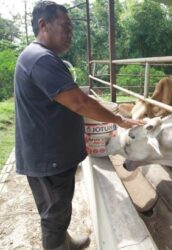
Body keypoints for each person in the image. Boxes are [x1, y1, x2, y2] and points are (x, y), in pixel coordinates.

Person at [14, 1, 144, 249]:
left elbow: (73, 98)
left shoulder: (40, 57)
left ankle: (65, 241)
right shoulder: (41, 59)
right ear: (44, 25)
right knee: (54, 215)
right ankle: (57, 244)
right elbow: (80, 103)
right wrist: (120, 119)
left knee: (59, 207)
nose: (70, 33)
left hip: (48, 154)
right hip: (48, 158)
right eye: (66, 26)